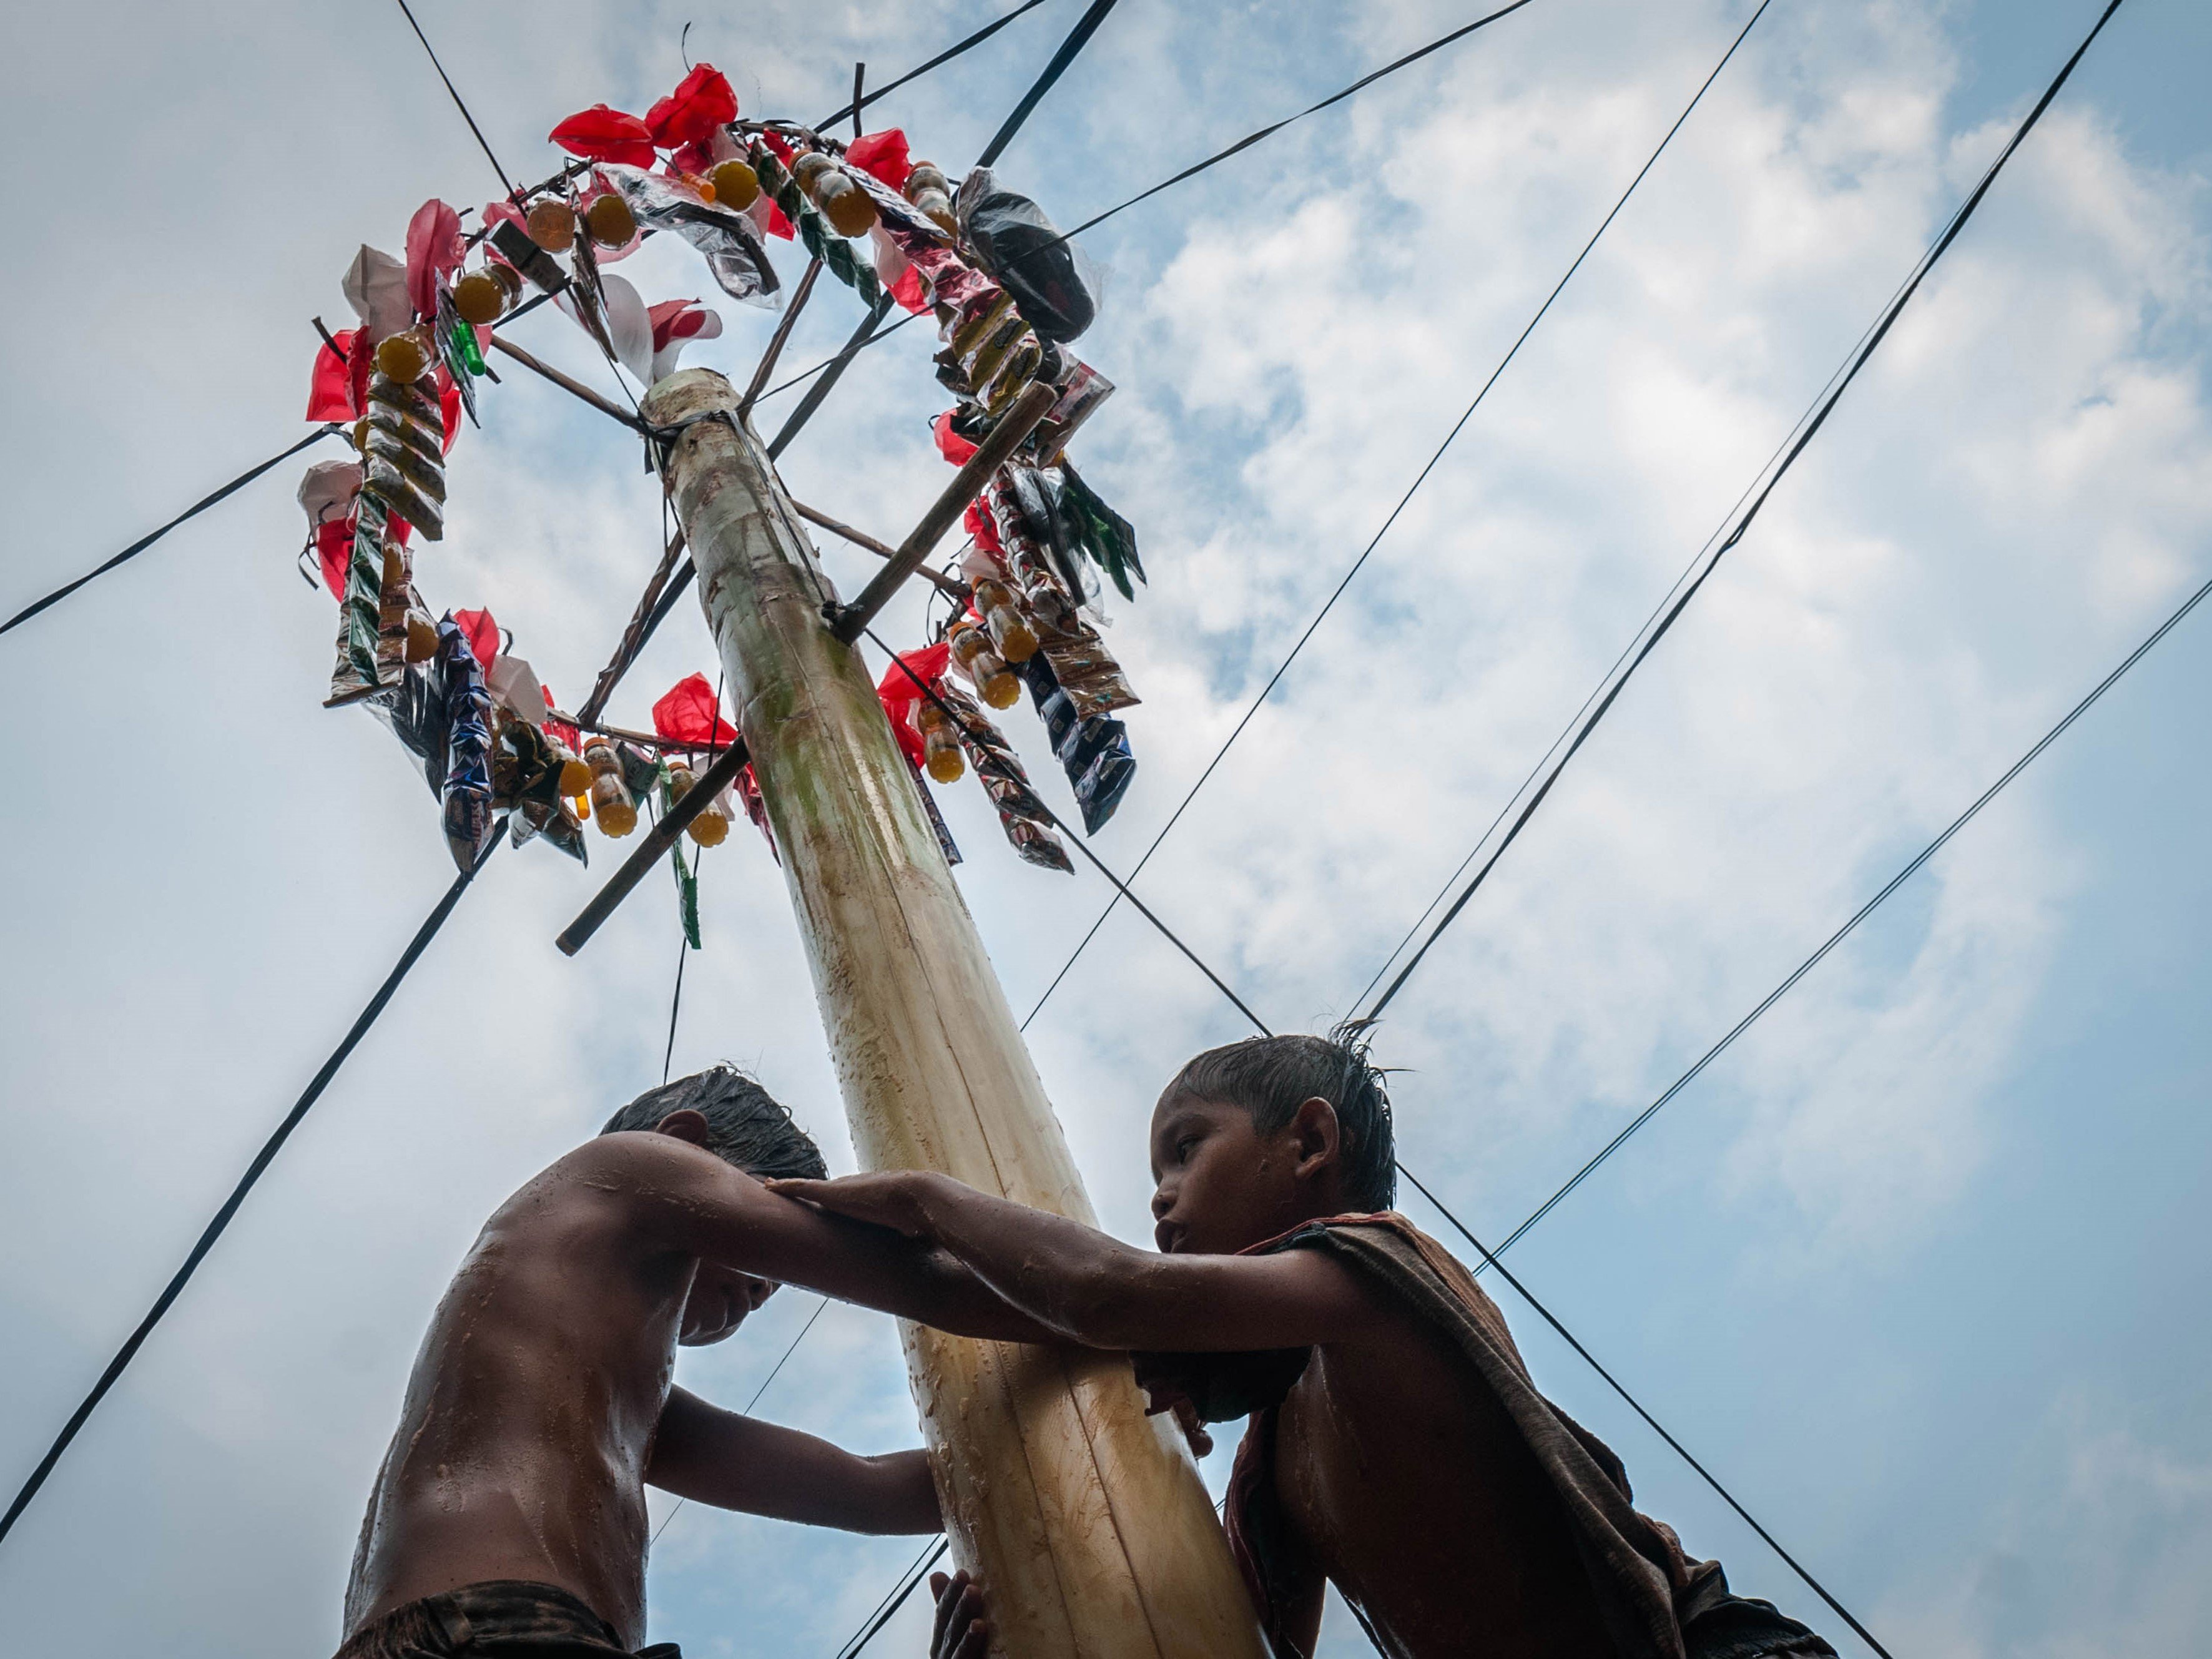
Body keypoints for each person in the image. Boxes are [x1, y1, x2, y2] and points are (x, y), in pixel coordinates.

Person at [772, 1028, 1841, 1659]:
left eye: (1185, 1147)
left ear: (1310, 1143)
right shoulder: (1268, 1462)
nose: (1159, 1193)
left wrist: (922, 1197)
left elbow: (1108, 1293)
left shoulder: (1378, 1271)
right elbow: (1211, 1640)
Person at [338, 1064, 1036, 1659]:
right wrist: (1122, 1318)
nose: (769, 1285)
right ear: (684, 1143)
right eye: (773, 1217)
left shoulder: (610, 1404)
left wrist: (1070, 1430)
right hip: (491, 1624)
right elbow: (932, 1285)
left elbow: (872, 1488)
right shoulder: (625, 1167)